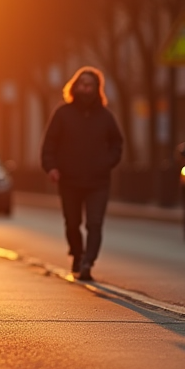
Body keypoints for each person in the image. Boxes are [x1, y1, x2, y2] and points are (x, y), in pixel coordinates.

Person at [40, 66, 124, 281]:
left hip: (98, 181)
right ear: (75, 86)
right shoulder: (62, 113)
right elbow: (49, 144)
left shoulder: (105, 116)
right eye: (82, 85)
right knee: (72, 222)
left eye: (90, 86)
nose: (86, 89)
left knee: (94, 223)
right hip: (69, 180)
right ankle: (77, 254)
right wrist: (52, 168)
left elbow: (117, 144)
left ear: (97, 89)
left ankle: (88, 262)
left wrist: (107, 163)